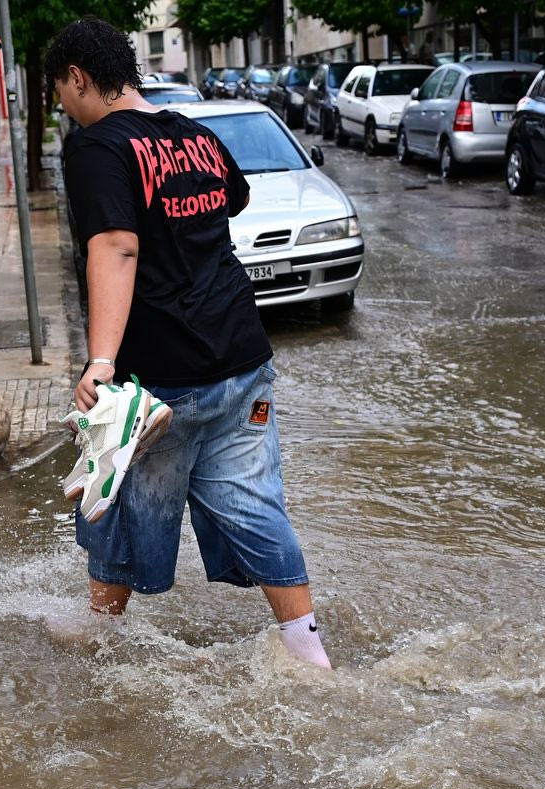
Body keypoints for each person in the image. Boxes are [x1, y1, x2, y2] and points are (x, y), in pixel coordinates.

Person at [45, 17, 331, 669]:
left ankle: (101, 628)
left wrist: (101, 361)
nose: (63, 104)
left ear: (79, 78)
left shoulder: (98, 147)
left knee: (108, 486)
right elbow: (233, 198)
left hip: (162, 371)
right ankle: (309, 652)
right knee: (256, 505)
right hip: (242, 358)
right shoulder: (197, 135)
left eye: (61, 90)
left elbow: (117, 245)